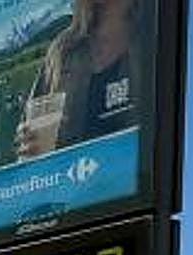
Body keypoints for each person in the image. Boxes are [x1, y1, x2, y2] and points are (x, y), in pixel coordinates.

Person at [15, 0, 145, 160]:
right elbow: (31, 133)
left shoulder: (156, 32)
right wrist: (29, 145)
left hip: (145, 179)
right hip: (72, 179)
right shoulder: (63, 51)